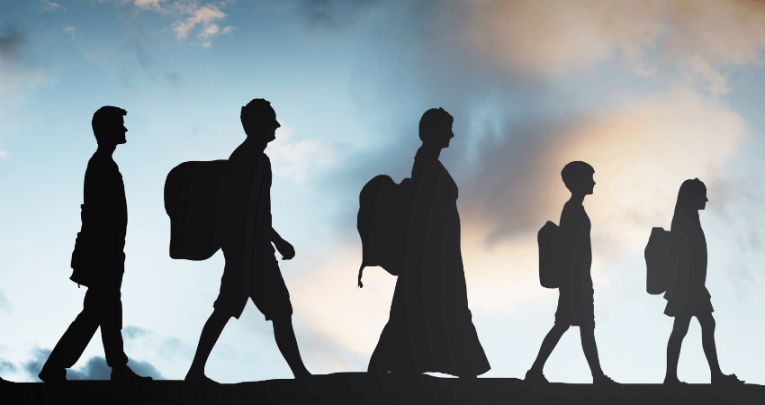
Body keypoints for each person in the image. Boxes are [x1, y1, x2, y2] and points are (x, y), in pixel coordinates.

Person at [184, 99, 310, 383]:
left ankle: (195, 371)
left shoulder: (245, 158)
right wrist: (277, 241)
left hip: (243, 250)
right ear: (254, 122)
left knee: (229, 310)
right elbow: (251, 211)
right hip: (250, 252)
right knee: (277, 310)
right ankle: (300, 374)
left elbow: (252, 211)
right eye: (271, 119)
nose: (276, 125)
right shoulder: (252, 160)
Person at [367, 108, 490, 378]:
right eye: (447, 128)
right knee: (422, 309)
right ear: (433, 131)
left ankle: (460, 368)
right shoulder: (425, 163)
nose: (452, 134)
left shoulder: (427, 162)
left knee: (420, 308)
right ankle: (465, 369)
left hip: (439, 252)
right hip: (432, 254)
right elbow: (423, 213)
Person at [38, 106, 152, 382]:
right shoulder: (101, 165)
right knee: (101, 311)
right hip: (104, 253)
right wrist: (107, 252)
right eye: (120, 125)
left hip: (109, 251)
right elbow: (97, 216)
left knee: (104, 311)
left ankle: (115, 367)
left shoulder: (104, 164)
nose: (125, 130)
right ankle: (75, 366)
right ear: (107, 130)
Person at [525, 161, 616, 385]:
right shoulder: (573, 210)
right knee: (583, 327)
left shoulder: (574, 209)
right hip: (576, 281)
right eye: (590, 177)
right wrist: (578, 281)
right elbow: (571, 249)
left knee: (567, 326)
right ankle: (597, 377)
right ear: (578, 180)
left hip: (577, 280)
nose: (594, 181)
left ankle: (536, 371)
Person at [663, 179, 743, 386]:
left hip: (692, 285)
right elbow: (687, 255)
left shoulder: (688, 217)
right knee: (688, 328)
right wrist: (691, 285)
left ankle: (683, 376)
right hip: (689, 285)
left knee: (691, 327)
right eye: (702, 195)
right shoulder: (685, 219)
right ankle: (680, 376)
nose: (705, 200)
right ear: (691, 196)